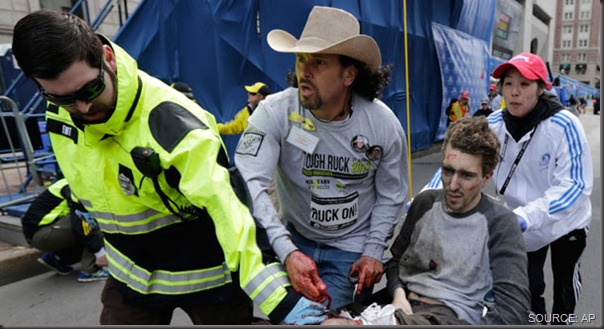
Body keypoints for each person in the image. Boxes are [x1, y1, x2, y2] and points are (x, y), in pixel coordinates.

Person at [12, 10, 326, 325]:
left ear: (107, 57)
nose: (80, 108)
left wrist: (278, 298)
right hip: (131, 275)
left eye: (89, 91)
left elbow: (229, 211)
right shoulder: (60, 113)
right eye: (61, 98)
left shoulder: (172, 123)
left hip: (206, 277)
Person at [235, 6, 409, 312]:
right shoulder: (274, 113)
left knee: (329, 320)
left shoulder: (383, 125)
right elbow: (249, 185)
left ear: (349, 74)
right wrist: (286, 251)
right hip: (292, 238)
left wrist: (371, 252)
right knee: (287, 315)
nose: (305, 70)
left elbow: (391, 195)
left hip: (352, 249)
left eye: (319, 62)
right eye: (301, 59)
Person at [322, 117, 531, 325]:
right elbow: (395, 262)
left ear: (486, 177)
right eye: (448, 171)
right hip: (397, 305)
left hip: (448, 318)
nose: (453, 185)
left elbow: (513, 310)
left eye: (466, 176)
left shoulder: (500, 223)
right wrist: (398, 295)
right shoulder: (425, 203)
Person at [489, 52, 593, 325]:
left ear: (541, 87)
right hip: (522, 223)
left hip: (565, 222)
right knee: (528, 289)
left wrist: (527, 215)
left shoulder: (564, 124)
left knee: (564, 289)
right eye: (508, 83)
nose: (514, 92)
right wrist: (429, 195)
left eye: (524, 84)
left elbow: (575, 186)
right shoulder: (493, 123)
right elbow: (460, 155)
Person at [21, 178, 109, 282]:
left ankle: (58, 259)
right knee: (92, 220)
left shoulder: (72, 180)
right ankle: (90, 271)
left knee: (83, 226)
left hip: (39, 234)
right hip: (43, 234)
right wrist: (100, 252)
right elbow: (81, 222)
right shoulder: (76, 187)